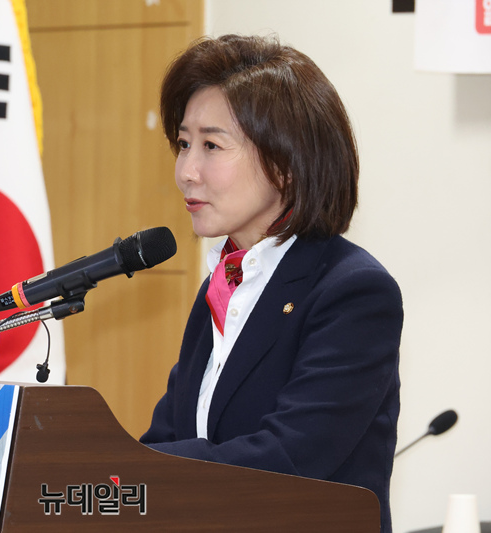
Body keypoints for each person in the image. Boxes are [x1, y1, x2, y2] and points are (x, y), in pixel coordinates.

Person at [140, 34, 403, 533]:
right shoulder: (223, 285)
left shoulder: (354, 292)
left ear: (285, 164)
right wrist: (98, 475)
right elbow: (167, 436)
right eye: (184, 144)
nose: (186, 171)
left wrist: (138, 473)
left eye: (211, 145)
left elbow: (290, 456)